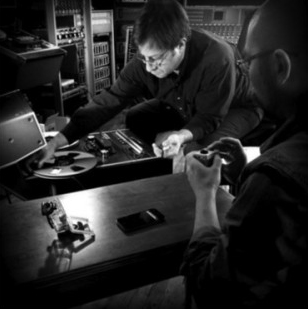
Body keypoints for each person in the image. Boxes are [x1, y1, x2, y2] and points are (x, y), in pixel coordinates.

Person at [31, 0, 262, 169]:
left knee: (200, 150)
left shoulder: (216, 57)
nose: (149, 67)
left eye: (156, 59)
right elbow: (109, 100)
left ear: (180, 45)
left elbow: (210, 117)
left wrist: (181, 136)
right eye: (144, 57)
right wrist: (58, 140)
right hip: (185, 108)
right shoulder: (145, 61)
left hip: (234, 109)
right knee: (135, 117)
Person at [181, 0, 308, 308]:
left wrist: (205, 193)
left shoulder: (275, 179)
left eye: (248, 61)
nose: (245, 73)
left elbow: (208, 285)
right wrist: (242, 175)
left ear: (281, 66)